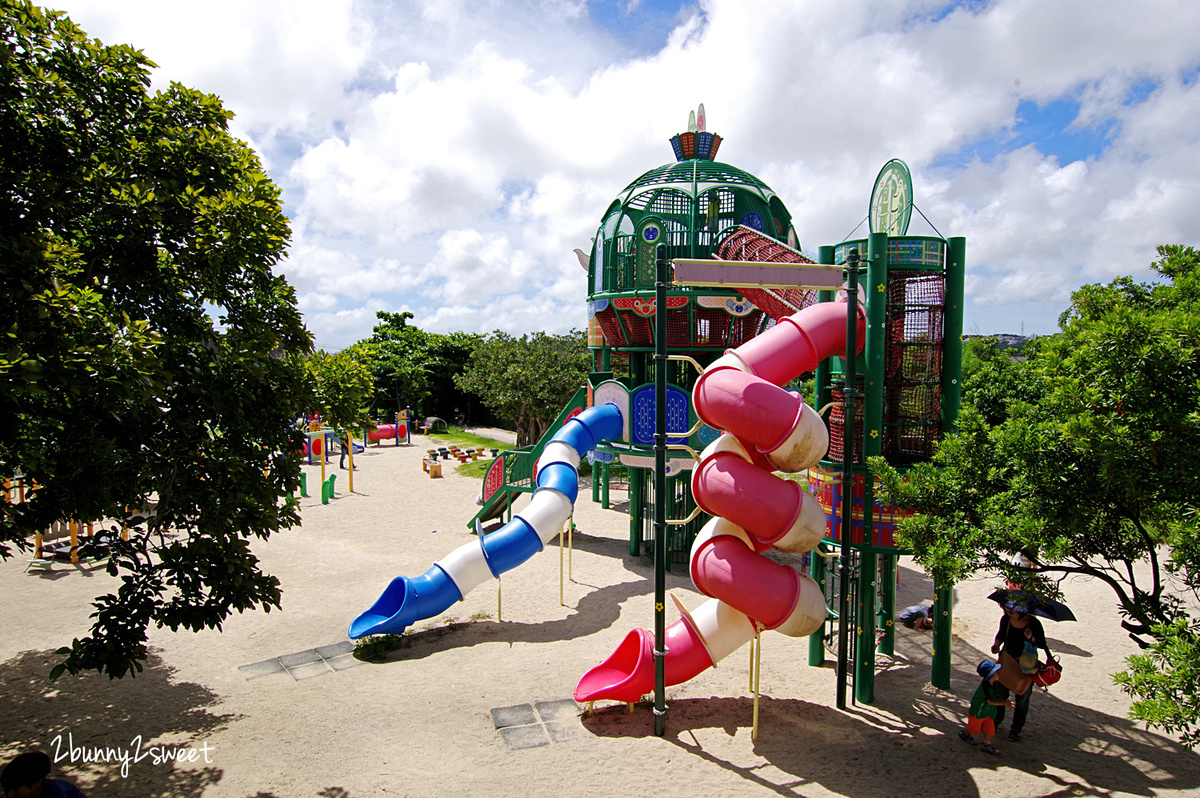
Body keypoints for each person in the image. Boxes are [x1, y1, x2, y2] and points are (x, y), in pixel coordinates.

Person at [991, 605, 1053, 742]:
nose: (1008, 614)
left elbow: (1042, 644)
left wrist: (1031, 638)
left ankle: (1015, 730)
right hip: (1006, 663)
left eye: (1011, 612)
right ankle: (996, 721)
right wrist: (997, 644)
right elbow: (1001, 634)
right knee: (1000, 694)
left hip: (1025, 667)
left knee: (1022, 701)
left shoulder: (1034, 623)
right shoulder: (1006, 619)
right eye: (1006, 611)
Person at [958, 659, 1015, 756]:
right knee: (973, 727)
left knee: (990, 729)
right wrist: (1005, 703)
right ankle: (965, 734)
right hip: (979, 712)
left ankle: (987, 744)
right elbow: (990, 701)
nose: (998, 673)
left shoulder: (994, 683)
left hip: (988, 711)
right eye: (996, 672)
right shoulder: (985, 686)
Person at [2, 751, 88, 797]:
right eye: (6, 790)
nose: (10, 795)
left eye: (16, 789)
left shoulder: (57, 792)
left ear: (36, 783)